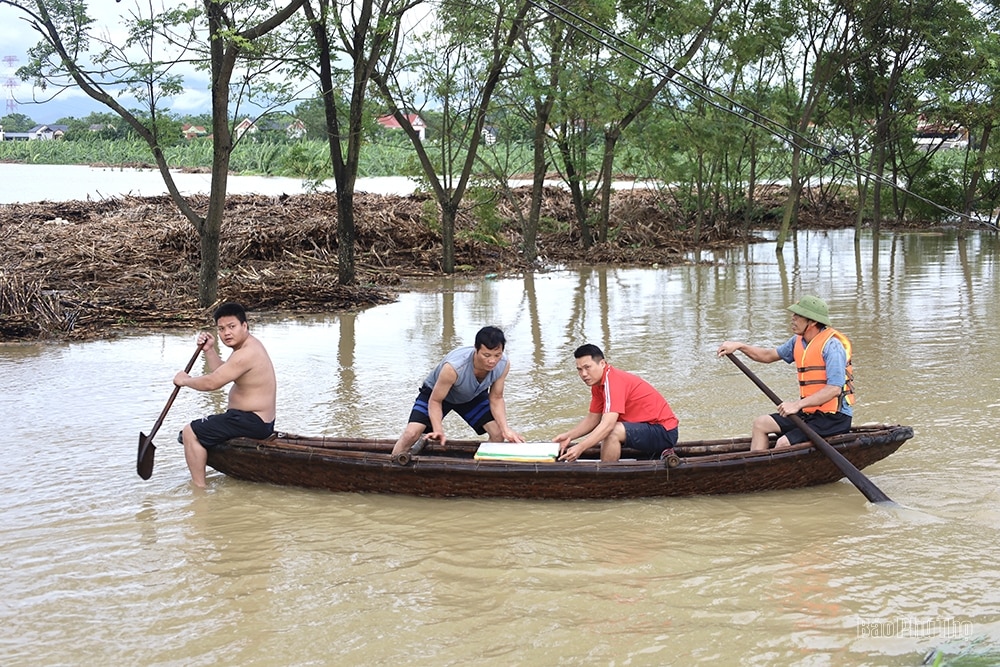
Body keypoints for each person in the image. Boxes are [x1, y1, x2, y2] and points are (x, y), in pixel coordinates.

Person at [716, 295, 854, 452]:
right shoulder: (797, 341)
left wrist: (796, 405)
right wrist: (740, 346)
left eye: (798, 316)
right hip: (809, 413)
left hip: (833, 418)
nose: (792, 319)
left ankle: (775, 473)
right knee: (760, 423)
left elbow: (834, 389)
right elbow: (767, 356)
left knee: (783, 443)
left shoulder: (832, 347)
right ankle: (757, 471)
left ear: (813, 322)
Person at [174, 302, 276, 487]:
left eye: (232, 327)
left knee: (190, 432)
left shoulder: (246, 353)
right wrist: (210, 350)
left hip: (252, 421)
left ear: (244, 326)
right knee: (201, 429)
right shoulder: (247, 347)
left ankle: (199, 489)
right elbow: (223, 372)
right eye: (221, 329)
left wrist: (185, 380)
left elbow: (213, 382)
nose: (226, 333)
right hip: (252, 420)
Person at [391, 326, 524, 456]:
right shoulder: (454, 367)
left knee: (498, 435)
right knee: (411, 434)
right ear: (476, 349)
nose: (492, 361)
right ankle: (392, 467)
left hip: (472, 395)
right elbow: (435, 400)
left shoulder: (503, 364)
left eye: (497, 355)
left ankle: (482, 473)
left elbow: (496, 398)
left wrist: (506, 429)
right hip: (437, 395)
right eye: (486, 355)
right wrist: (438, 429)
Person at [554, 344, 679, 462]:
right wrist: (569, 436)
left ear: (602, 364)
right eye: (580, 370)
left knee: (611, 431)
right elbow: (593, 418)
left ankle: (606, 477)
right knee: (608, 430)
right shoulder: (598, 385)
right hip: (644, 428)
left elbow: (608, 425)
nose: (584, 374)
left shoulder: (613, 381)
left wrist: (581, 447)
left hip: (664, 432)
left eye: (587, 368)